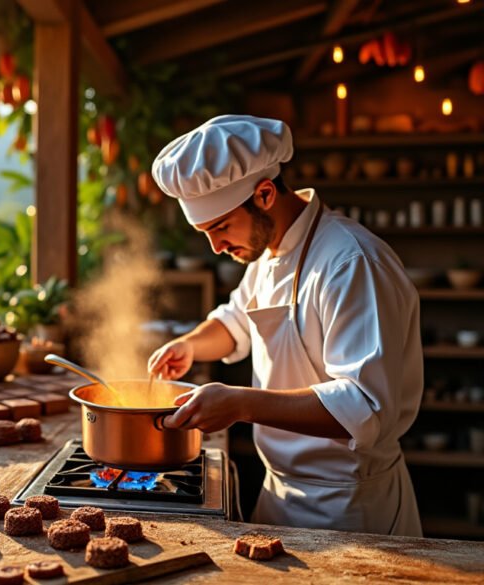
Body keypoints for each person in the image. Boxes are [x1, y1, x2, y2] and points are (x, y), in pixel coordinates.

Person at [147, 115, 423, 536]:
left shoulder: (351, 263)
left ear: (264, 194)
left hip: (350, 507)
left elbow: (363, 407)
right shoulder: (267, 255)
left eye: (220, 227)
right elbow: (236, 322)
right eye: (204, 232)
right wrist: (189, 345)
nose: (216, 246)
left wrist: (240, 404)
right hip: (278, 494)